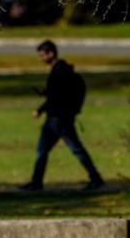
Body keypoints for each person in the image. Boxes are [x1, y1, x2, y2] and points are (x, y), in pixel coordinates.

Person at [20, 40, 104, 191]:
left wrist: (40, 109)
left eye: (42, 55)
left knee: (75, 149)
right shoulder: (61, 70)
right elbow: (56, 94)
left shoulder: (60, 71)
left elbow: (57, 97)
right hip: (55, 119)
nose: (41, 59)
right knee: (42, 151)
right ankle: (36, 182)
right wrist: (44, 95)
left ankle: (96, 178)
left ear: (51, 53)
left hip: (59, 120)